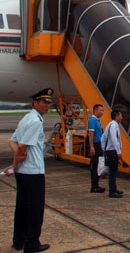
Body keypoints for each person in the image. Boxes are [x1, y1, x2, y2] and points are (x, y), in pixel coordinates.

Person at [8, 88, 53, 252]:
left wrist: (17, 165)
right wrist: (14, 165)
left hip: (22, 173)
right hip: (33, 172)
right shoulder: (36, 121)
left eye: (49, 102)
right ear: (35, 103)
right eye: (44, 102)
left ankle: (18, 241)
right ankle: (32, 244)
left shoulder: (26, 118)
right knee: (35, 209)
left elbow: (12, 142)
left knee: (21, 207)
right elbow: (21, 147)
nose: (47, 105)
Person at [101, 109, 124, 198]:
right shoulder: (113, 126)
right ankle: (112, 191)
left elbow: (103, 138)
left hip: (110, 151)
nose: (121, 118)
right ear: (117, 116)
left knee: (114, 171)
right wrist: (118, 152)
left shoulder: (112, 125)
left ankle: (114, 188)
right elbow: (114, 139)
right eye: (121, 116)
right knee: (113, 172)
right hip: (112, 152)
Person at [88, 104, 106, 194]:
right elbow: (91, 134)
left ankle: (96, 185)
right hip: (95, 144)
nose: (102, 112)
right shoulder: (92, 120)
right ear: (95, 111)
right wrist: (91, 147)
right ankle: (94, 186)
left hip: (99, 144)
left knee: (99, 165)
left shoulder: (97, 120)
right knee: (95, 166)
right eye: (101, 110)